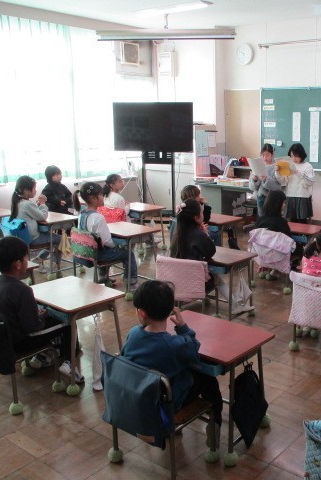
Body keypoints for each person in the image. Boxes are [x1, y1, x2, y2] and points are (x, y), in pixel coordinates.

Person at [121, 280, 223, 441]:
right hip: (165, 404)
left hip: (137, 399)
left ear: (141, 313)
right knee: (208, 379)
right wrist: (183, 328)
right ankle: (215, 422)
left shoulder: (133, 334)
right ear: (170, 310)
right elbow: (193, 351)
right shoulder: (173, 345)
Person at [0, 237, 78, 380]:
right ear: (18, 264)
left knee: (51, 319)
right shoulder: (22, 290)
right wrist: (41, 316)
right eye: (26, 257)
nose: (28, 260)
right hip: (20, 343)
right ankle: (68, 361)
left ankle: (45, 355)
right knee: (67, 322)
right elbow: (33, 327)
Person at [72, 182, 138, 289]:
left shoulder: (81, 215)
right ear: (93, 198)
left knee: (104, 247)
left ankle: (103, 276)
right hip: (97, 255)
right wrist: (117, 246)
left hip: (85, 252)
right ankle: (132, 283)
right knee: (127, 253)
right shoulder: (98, 217)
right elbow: (107, 241)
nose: (103, 197)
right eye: (101, 195)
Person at [11, 175, 62, 274]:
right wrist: (43, 204)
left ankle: (39, 259)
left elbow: (33, 213)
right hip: (33, 238)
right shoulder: (27, 204)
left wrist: (38, 205)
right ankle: (55, 265)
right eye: (34, 188)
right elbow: (42, 216)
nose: (35, 190)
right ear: (26, 190)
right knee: (59, 239)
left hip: (23, 237)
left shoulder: (17, 202)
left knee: (50, 238)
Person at [275, 143, 314, 223]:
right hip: (290, 195)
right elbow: (283, 181)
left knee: (302, 222)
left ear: (301, 155)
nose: (293, 158)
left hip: (302, 196)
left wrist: (297, 172)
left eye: (296, 156)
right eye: (291, 156)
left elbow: (310, 182)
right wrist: (277, 172)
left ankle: (303, 232)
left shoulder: (308, 166)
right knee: (291, 222)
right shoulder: (288, 165)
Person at [249, 144, 281, 217]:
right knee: (262, 218)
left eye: (267, 155)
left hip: (273, 199)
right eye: (263, 155)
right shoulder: (257, 165)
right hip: (261, 198)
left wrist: (266, 179)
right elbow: (252, 187)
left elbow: (278, 186)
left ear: (272, 154)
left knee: (272, 218)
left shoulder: (276, 167)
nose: (264, 157)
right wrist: (254, 180)